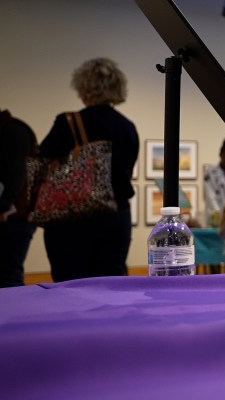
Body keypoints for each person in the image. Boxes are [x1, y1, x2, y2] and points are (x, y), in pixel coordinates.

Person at [39, 58, 140, 281]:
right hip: (117, 219)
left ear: (83, 87)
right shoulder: (128, 127)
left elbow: (42, 164)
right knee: (110, 286)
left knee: (70, 288)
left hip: (74, 221)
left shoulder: (68, 122)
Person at [0, 109, 37, 287]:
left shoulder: (14, 131)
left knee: (8, 276)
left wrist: (4, 205)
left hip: (14, 218)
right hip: (10, 215)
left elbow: (17, 173)